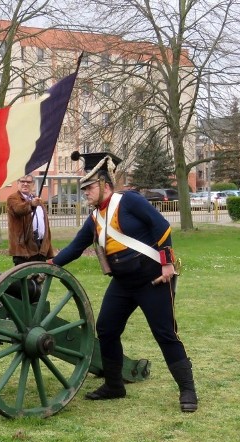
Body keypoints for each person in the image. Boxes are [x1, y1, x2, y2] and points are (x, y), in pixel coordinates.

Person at [49, 151, 198, 413]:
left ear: (105, 185)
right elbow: (75, 247)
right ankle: (115, 385)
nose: (85, 192)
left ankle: (188, 390)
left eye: (89, 187)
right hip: (123, 283)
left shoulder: (129, 201)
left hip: (153, 279)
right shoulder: (95, 217)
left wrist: (167, 263)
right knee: (106, 329)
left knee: (165, 334)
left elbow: (161, 227)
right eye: (83, 188)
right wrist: (51, 265)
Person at [7, 175, 54, 265]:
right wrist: (31, 204)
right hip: (24, 246)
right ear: (18, 183)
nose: (25, 184)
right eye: (22, 181)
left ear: (33, 184)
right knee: (25, 277)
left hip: (40, 246)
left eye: (28, 182)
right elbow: (19, 209)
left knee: (40, 276)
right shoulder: (13, 198)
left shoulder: (37, 200)